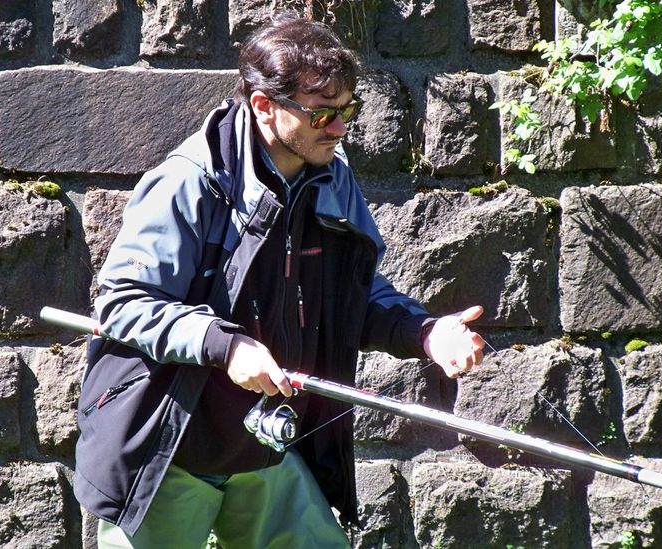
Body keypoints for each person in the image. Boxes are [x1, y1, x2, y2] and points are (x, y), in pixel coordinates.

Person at [77, 14, 485, 549]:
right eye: (321, 115)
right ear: (264, 106)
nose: (339, 129)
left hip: (265, 447)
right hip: (169, 448)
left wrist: (424, 332)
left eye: (347, 112)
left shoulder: (331, 176)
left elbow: (352, 298)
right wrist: (226, 346)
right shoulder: (188, 182)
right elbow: (125, 304)